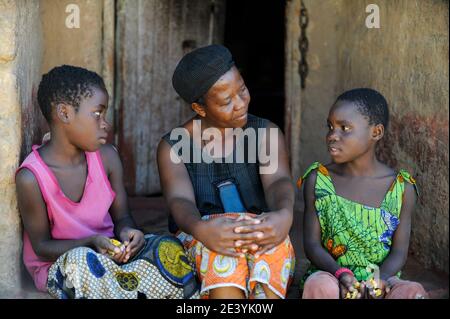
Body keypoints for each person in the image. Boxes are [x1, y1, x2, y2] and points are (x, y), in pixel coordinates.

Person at [15, 65, 198, 299]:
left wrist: (130, 234)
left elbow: (122, 217)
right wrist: (91, 243)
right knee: (83, 262)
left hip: (112, 258)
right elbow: (41, 247)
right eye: (97, 114)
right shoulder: (32, 177)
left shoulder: (107, 157)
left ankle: (125, 288)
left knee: (167, 248)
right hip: (64, 266)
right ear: (64, 113)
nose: (105, 124)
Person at [157, 45, 295, 299]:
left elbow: (278, 182)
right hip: (203, 232)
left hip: (257, 225)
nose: (240, 103)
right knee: (222, 257)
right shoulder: (173, 146)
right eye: (226, 101)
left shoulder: (266, 133)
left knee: (271, 245)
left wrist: (283, 216)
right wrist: (200, 229)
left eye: (241, 89)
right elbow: (180, 200)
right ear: (200, 109)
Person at [298, 88, 428, 299]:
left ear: (376, 132)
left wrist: (381, 279)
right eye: (330, 127)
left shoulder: (401, 188)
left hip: (380, 280)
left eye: (344, 128)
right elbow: (312, 245)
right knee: (319, 286)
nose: (332, 136)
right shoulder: (318, 180)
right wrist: (341, 274)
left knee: (413, 292)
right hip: (333, 275)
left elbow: (399, 253)